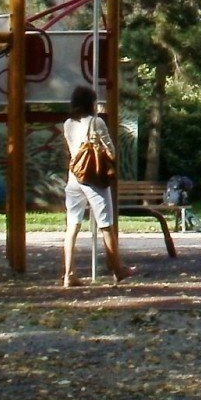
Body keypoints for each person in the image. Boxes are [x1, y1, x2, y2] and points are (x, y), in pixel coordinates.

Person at [62, 86, 132, 288]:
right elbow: (111, 150)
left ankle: (69, 274)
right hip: (94, 178)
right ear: (91, 103)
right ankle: (117, 269)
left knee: (72, 226)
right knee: (106, 224)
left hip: (74, 177)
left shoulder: (68, 124)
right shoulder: (96, 122)